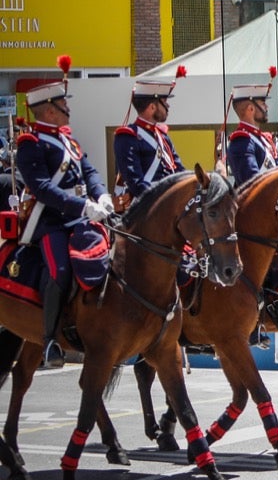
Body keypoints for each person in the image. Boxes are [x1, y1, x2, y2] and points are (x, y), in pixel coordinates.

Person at [14, 62, 112, 370]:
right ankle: (50, 339)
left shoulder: (70, 140)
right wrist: (81, 206)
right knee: (58, 271)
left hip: (82, 216)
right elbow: (42, 188)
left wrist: (102, 194)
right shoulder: (30, 143)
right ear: (49, 110)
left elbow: (89, 171)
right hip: (51, 220)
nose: (67, 108)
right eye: (63, 103)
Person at [113, 75, 184, 204]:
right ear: (152, 107)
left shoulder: (163, 136)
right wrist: (167, 199)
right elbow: (136, 184)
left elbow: (180, 170)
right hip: (146, 208)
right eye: (164, 101)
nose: (168, 106)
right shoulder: (127, 137)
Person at [226, 81, 278, 184]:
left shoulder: (262, 139)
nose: (266, 107)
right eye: (263, 104)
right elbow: (253, 184)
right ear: (251, 109)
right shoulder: (241, 142)